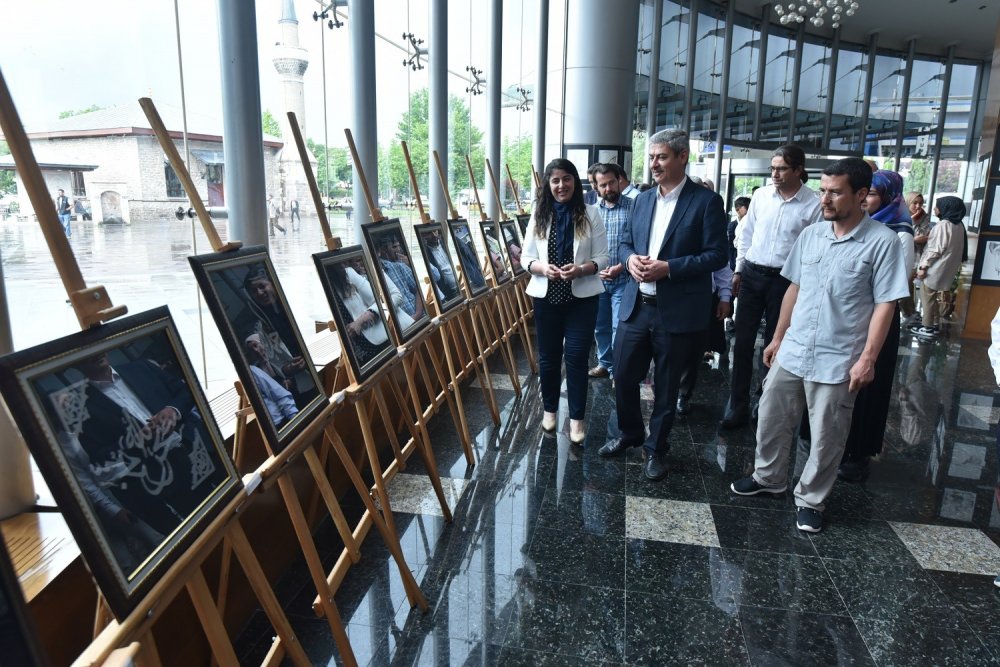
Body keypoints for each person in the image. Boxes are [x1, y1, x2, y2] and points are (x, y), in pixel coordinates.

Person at [730, 157, 909, 533]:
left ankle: (811, 499)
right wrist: (778, 337)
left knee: (828, 434)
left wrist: (868, 359)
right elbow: (794, 288)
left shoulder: (883, 242)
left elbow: (886, 304)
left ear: (861, 195)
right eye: (823, 190)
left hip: (838, 355)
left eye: (834, 192)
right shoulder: (812, 235)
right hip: (795, 347)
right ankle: (768, 478)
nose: (824, 199)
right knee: (771, 415)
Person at [597, 128, 727, 481]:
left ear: (683, 157)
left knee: (666, 387)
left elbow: (717, 255)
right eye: (651, 157)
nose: (654, 164)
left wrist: (669, 268)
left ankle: (656, 449)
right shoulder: (642, 200)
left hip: (677, 311)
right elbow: (625, 243)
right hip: (637, 305)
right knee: (623, 374)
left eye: (662, 157)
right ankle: (630, 432)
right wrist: (629, 261)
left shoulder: (706, 202)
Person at [722, 144, 822, 429]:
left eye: (782, 169)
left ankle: (763, 400)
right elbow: (746, 235)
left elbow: (813, 247)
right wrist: (738, 269)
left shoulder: (813, 204)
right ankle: (736, 403)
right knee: (742, 342)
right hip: (753, 273)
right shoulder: (761, 196)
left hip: (786, 280)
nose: (775, 174)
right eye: (773, 168)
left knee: (775, 344)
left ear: (798, 170)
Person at [520, 158, 609, 445]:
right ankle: (549, 410)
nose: (561, 185)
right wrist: (541, 268)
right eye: (555, 180)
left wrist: (581, 269)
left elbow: (603, 258)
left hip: (582, 300)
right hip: (546, 298)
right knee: (548, 358)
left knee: (577, 358)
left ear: (575, 182)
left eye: (566, 179)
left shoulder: (591, 213)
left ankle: (577, 419)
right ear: (548, 184)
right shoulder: (539, 214)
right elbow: (525, 258)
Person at [836, 169, 914, 482]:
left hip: (879, 318)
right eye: (864, 193)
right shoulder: (859, 225)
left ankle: (860, 452)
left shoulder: (900, 233)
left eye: (871, 194)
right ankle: (837, 444)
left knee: (869, 388)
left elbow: (895, 287)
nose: (865, 199)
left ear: (888, 196)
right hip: (850, 315)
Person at [589, 163, 634, 379]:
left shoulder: (634, 207)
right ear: (596, 187)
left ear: (619, 181)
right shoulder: (591, 212)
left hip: (624, 278)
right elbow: (585, 245)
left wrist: (621, 266)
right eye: (603, 185)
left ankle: (618, 369)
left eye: (611, 183)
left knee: (619, 326)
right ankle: (604, 363)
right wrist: (594, 268)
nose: (608, 188)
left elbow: (640, 242)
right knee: (600, 326)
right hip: (597, 279)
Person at [677, 263, 733, 414]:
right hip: (670, 295)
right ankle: (664, 390)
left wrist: (725, 296)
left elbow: (721, 265)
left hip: (701, 297)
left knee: (693, 349)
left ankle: (683, 394)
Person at [911, 196, 968, 338]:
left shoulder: (943, 225)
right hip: (946, 269)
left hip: (935, 268)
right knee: (932, 297)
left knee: (927, 297)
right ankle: (934, 324)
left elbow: (935, 249)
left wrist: (923, 267)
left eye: (937, 206)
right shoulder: (959, 225)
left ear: (946, 208)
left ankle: (927, 327)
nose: (935, 209)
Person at [377, 234, 425, 319]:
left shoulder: (399, 266)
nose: (398, 249)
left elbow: (418, 288)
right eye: (394, 247)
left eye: (398, 246)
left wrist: (418, 313)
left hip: (420, 317)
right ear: (383, 250)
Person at [901, 191, 931, 326]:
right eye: (915, 203)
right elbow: (902, 235)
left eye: (921, 203)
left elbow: (925, 235)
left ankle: (910, 313)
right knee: (905, 285)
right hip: (903, 255)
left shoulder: (924, 217)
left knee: (907, 284)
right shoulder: (901, 216)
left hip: (917, 256)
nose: (918, 206)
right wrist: (912, 222)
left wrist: (920, 238)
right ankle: (909, 313)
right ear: (908, 202)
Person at [424, 229, 460, 302]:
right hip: (448, 293)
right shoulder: (426, 254)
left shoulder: (445, 243)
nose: (434, 235)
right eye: (429, 233)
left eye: (435, 231)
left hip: (460, 285)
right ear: (423, 236)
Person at [728, 196, 751, 272]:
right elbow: (731, 247)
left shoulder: (751, 222)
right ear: (738, 209)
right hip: (735, 262)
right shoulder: (732, 225)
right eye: (747, 207)